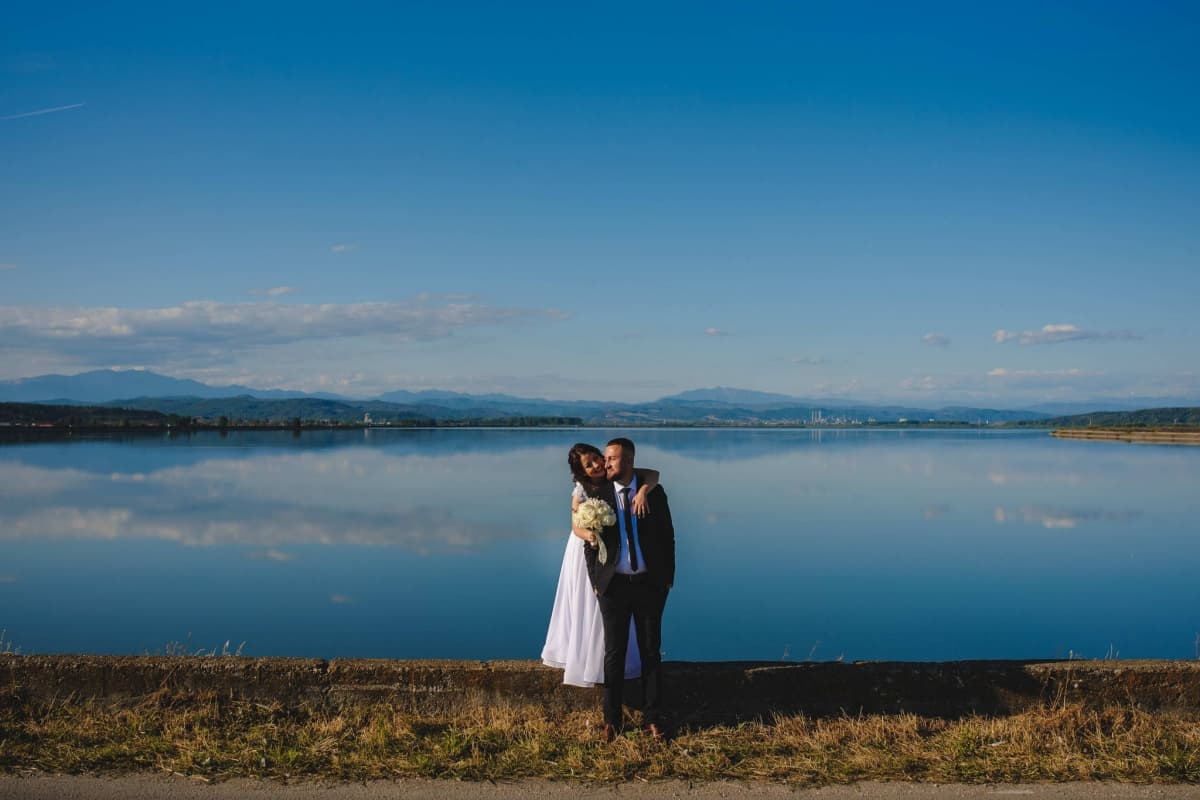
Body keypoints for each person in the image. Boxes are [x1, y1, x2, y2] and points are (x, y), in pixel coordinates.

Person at [541, 443, 659, 688]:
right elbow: (576, 526)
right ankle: (587, 660)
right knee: (590, 603)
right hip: (586, 548)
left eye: (597, 458)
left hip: (614, 550)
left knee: (612, 609)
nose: (596, 465)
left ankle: (619, 661)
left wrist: (643, 491)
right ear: (581, 471)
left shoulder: (615, 474)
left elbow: (652, 474)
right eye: (589, 464)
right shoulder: (580, 491)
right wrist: (591, 536)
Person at [586, 437, 675, 742]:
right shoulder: (598, 495)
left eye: (611, 459)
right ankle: (611, 721)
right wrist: (597, 582)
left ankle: (653, 718)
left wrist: (667, 579)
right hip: (614, 587)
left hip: (650, 585)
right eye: (606, 459)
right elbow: (590, 546)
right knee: (614, 653)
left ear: (628, 461)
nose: (605, 464)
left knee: (651, 651)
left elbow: (668, 537)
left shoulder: (654, 493)